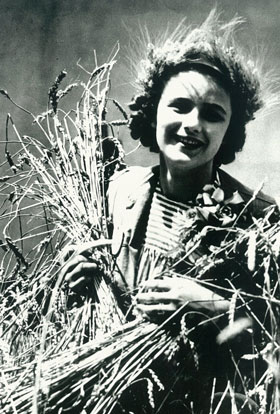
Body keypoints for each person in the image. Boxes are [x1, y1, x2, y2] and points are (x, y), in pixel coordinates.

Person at [61, 11, 278, 414]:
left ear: (230, 131)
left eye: (213, 114)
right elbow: (72, 314)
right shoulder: (112, 194)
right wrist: (70, 282)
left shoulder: (258, 219)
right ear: (152, 112)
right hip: (106, 398)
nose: (192, 125)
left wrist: (211, 305)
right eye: (179, 106)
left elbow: (273, 332)